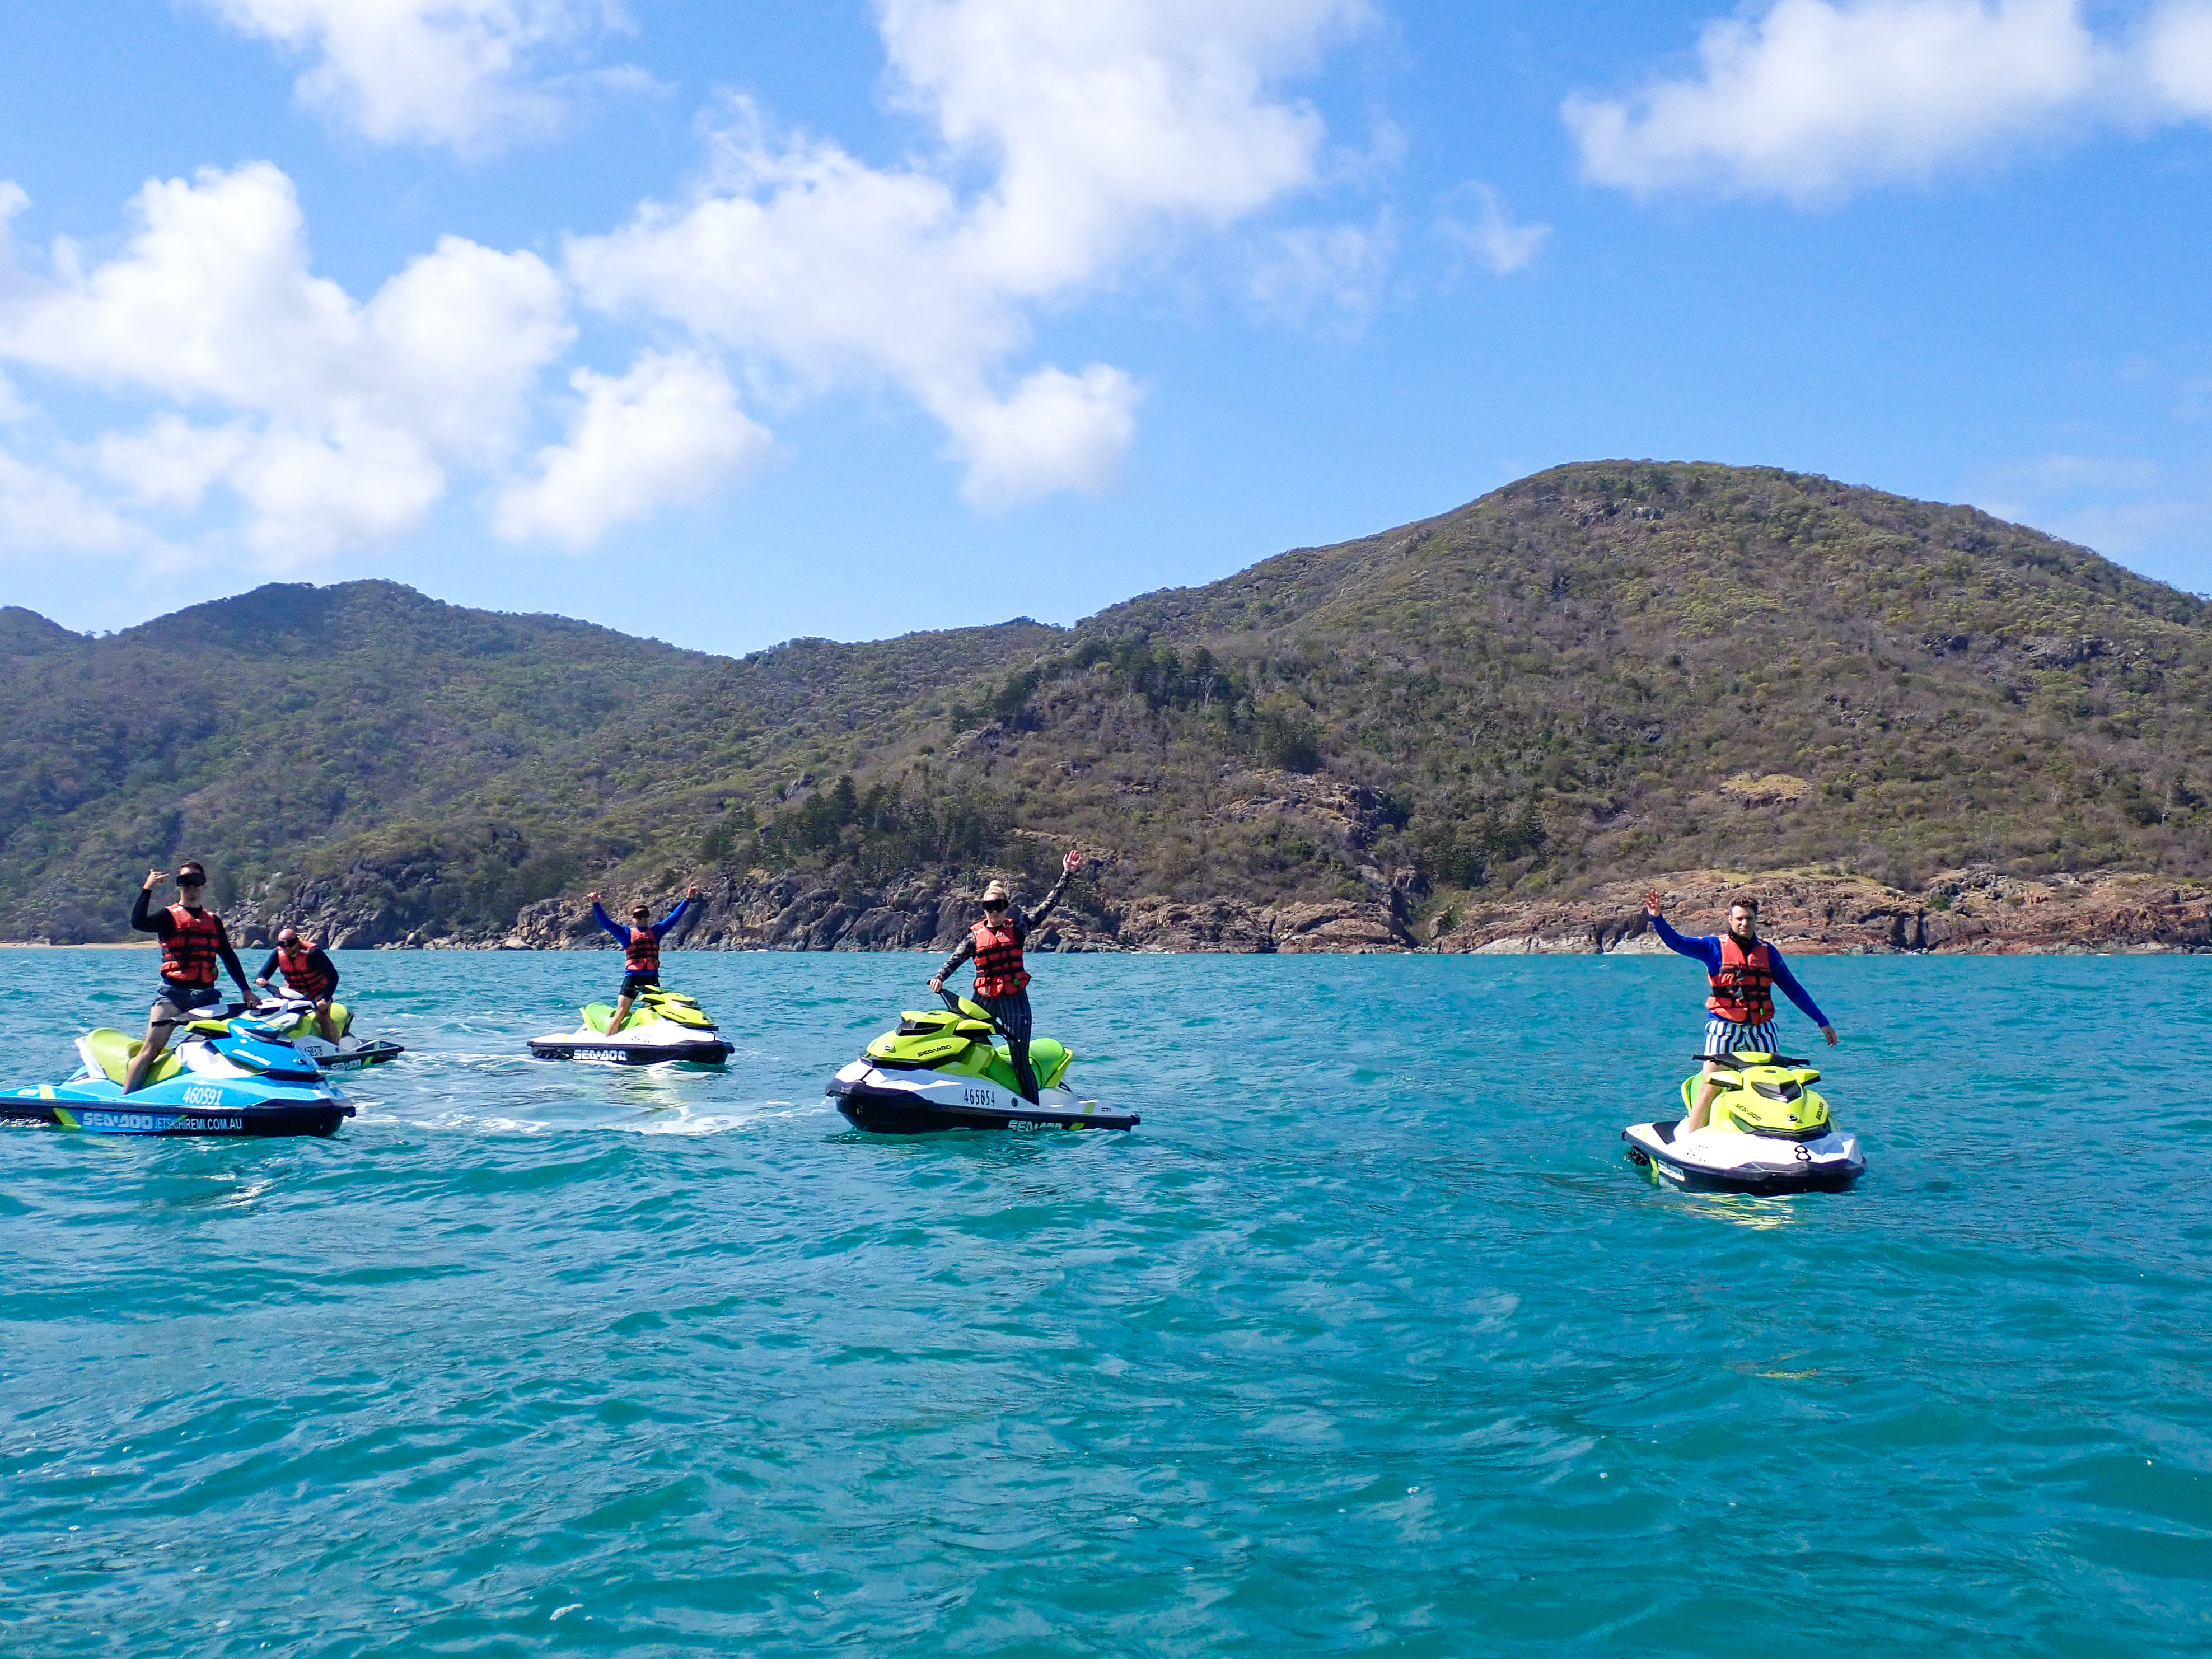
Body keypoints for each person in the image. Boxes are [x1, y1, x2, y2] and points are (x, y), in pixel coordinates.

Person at [1642, 889, 1839, 1134]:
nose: (1745, 923)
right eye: (1740, 919)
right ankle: (1690, 1141)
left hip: (1762, 1029)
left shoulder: (1768, 953)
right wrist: (1657, 918)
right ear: (1730, 920)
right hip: (1724, 1026)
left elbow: (1793, 989)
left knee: (1777, 1087)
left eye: (1749, 918)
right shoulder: (1713, 947)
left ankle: (1781, 1134)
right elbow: (1677, 942)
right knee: (1710, 1086)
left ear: (1756, 920)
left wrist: (1822, 1022)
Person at [929, 848, 1084, 1103]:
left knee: (1019, 1057)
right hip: (984, 1000)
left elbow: (1048, 906)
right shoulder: (974, 937)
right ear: (984, 909)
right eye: (989, 907)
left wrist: (1067, 874)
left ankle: (1032, 1107)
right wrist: (940, 977)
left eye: (999, 906)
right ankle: (980, 1093)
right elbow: (954, 959)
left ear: (1006, 907)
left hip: (1014, 1000)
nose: (995, 912)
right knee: (966, 1042)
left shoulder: (1019, 928)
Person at [124, 862, 256, 1093]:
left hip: (206, 997)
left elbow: (228, 956)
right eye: (184, 882)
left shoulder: (213, 921)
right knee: (151, 1049)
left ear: (203, 884)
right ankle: (124, 1102)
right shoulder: (167, 916)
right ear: (178, 886)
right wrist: (148, 889)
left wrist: (246, 990)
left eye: (196, 881)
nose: (190, 887)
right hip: (172, 995)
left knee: (212, 1050)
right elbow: (138, 922)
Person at [589, 885, 702, 1034]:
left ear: (648, 917)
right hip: (633, 979)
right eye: (638, 917)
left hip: (651, 979)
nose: (642, 919)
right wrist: (596, 904)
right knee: (621, 1013)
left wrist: (688, 899)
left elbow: (675, 917)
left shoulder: (657, 931)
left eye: (645, 916)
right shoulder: (625, 933)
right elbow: (606, 923)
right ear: (633, 919)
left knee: (658, 1013)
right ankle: (607, 1044)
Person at [254, 927, 342, 1043]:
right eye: (282, 945)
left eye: (290, 944)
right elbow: (263, 973)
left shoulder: (313, 953)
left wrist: (325, 999)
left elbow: (334, 977)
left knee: (322, 1014)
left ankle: (335, 1047)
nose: (287, 948)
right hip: (294, 994)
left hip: (318, 993)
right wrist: (261, 979)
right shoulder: (278, 954)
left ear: (297, 941)